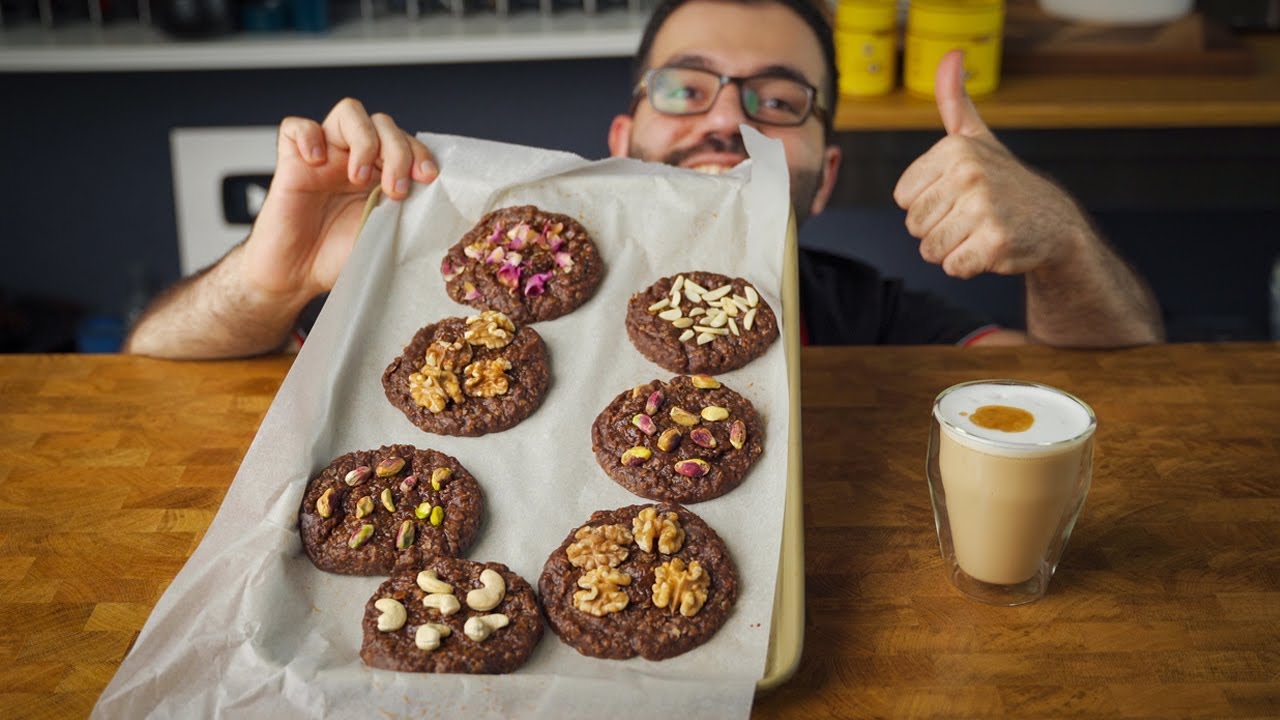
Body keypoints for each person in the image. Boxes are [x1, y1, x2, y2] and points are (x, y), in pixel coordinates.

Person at [123, 0, 1164, 358]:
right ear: (621, 136)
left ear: (825, 171)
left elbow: (1113, 409)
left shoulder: (868, 328)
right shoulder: (466, 293)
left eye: (777, 99)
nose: (726, 117)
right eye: (687, 87)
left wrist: (1062, 244)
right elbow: (153, 367)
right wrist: (273, 277)